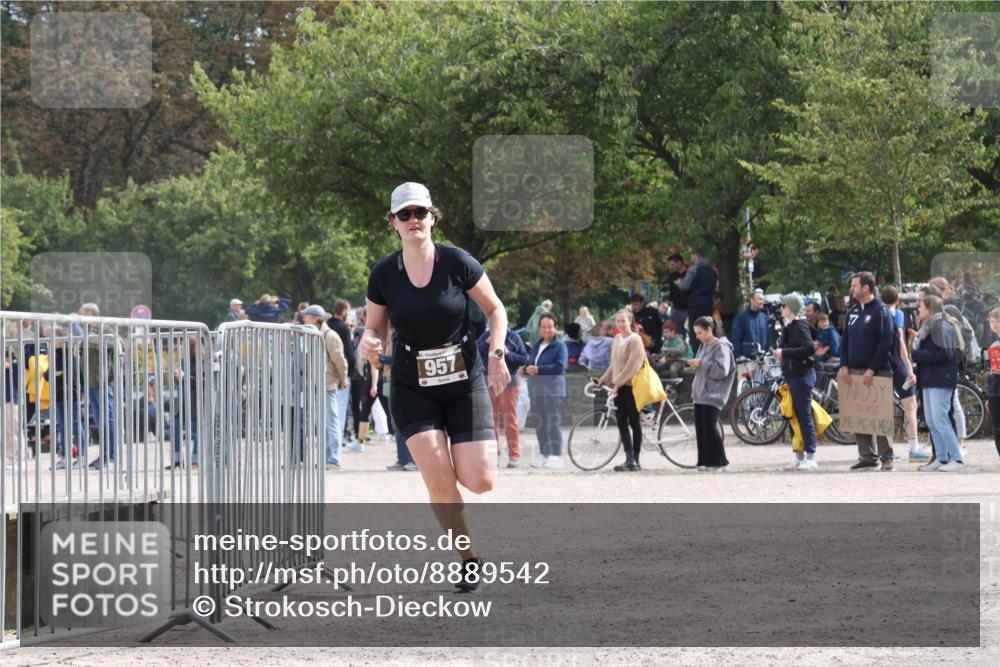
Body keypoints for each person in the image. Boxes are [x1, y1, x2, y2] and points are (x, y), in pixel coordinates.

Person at [362, 182, 509, 590]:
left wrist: (497, 355)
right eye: (404, 215)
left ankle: (467, 470)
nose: (413, 221)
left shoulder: (458, 262)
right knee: (440, 478)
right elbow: (373, 327)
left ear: (433, 217)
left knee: (480, 480)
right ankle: (468, 557)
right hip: (412, 385)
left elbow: (496, 310)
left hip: (464, 381)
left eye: (420, 213)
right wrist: (368, 342)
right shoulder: (384, 274)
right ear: (393, 223)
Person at [838, 271, 895, 471]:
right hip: (854, 370)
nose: (851, 289)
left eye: (854, 285)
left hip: (877, 371)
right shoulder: (851, 312)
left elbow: (886, 341)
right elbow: (844, 341)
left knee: (879, 414)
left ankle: (887, 457)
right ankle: (867, 456)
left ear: (866, 288)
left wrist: (872, 368)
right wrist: (844, 365)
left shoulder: (882, 311)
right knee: (860, 414)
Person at [911, 295, 964, 471]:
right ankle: (941, 458)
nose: (918, 309)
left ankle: (956, 458)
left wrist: (917, 355)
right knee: (932, 422)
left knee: (941, 420)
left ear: (930, 309)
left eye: (921, 306)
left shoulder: (941, 326)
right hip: (929, 379)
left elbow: (946, 354)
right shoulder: (929, 326)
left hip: (941, 379)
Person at [594, 309, 647, 471]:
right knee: (622, 423)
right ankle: (628, 458)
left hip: (631, 387)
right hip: (619, 387)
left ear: (630, 321)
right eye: (618, 321)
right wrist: (603, 379)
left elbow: (633, 366)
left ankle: (636, 459)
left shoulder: (636, 340)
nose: (621, 324)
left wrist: (616, 384)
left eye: (623, 321)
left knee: (634, 422)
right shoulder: (617, 339)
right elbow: (614, 365)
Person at [880, 286, 928, 463]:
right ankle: (914, 449)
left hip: (879, 366)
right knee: (910, 406)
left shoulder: (877, 314)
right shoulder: (897, 314)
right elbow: (900, 340)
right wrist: (908, 367)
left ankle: (885, 450)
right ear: (897, 300)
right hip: (896, 364)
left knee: (882, 408)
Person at [772, 294, 818, 470]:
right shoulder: (789, 326)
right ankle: (799, 456)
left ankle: (811, 456)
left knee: (804, 414)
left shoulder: (799, 327)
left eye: (783, 305)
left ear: (791, 307)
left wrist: (784, 352)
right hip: (793, 375)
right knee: (793, 414)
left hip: (802, 375)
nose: (781, 308)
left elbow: (808, 348)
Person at [302, 304, 348, 469]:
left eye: (306, 316)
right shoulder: (315, 333)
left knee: (331, 422)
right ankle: (326, 458)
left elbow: (339, 360)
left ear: (314, 318)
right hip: (316, 384)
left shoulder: (329, 335)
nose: (303, 318)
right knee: (323, 424)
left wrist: (343, 379)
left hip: (326, 384)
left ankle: (333, 459)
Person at [686, 316, 735, 470]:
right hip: (701, 393)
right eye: (696, 333)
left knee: (709, 426)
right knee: (701, 428)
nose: (697, 336)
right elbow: (704, 367)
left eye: (700, 333)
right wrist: (696, 365)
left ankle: (721, 462)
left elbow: (722, 371)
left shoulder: (721, 347)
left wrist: (702, 364)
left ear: (709, 329)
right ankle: (704, 461)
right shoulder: (704, 346)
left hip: (714, 394)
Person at [477, 325, 529, 468]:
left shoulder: (513, 337)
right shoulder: (486, 335)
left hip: (509, 383)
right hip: (490, 382)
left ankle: (514, 455)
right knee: (490, 421)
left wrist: (508, 352)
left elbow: (524, 358)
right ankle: (494, 456)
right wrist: (485, 343)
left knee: (510, 419)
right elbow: (474, 352)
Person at [525, 313, 568, 469]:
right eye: (543, 327)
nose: (546, 330)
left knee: (552, 423)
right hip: (536, 390)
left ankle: (556, 456)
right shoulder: (537, 344)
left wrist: (539, 370)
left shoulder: (560, 345)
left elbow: (560, 366)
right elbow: (530, 362)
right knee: (540, 424)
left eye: (549, 327)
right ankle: (544, 455)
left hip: (553, 391)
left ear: (555, 328)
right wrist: (526, 368)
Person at [79, 303, 118, 470]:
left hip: (102, 381)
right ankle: (104, 456)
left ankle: (111, 457)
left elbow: (111, 343)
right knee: (99, 420)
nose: (80, 319)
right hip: (91, 382)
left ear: (90, 313)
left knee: (107, 419)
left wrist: (87, 339)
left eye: (82, 315)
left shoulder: (105, 327)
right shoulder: (87, 331)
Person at [676, 248, 718, 354]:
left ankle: (698, 354)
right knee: (707, 328)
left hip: (695, 304)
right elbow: (715, 288)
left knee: (696, 331)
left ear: (696, 255)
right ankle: (710, 352)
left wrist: (678, 283)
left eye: (692, 256)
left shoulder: (693, 269)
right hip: (708, 304)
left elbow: (684, 286)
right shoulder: (713, 270)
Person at [328, 299, 356, 454]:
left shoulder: (326, 327)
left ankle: (331, 445)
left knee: (331, 410)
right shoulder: (343, 329)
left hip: (327, 373)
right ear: (344, 311)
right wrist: (349, 373)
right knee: (340, 409)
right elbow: (349, 353)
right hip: (341, 374)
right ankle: (336, 446)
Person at [730, 288, 771, 359]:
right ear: (752, 300)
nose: (762, 302)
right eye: (759, 299)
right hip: (746, 360)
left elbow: (768, 338)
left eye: (763, 300)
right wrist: (739, 355)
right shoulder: (741, 317)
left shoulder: (764, 317)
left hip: (763, 359)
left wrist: (768, 352)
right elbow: (735, 338)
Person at [985, 307, 1000, 458]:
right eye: (992, 321)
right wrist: (988, 395)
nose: (995, 324)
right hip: (995, 389)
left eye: (998, 320)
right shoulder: (994, 345)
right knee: (997, 427)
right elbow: (992, 371)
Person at [666, 253, 689, 341]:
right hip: (676, 309)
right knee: (678, 334)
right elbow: (672, 293)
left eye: (672, 264)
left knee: (691, 332)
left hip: (688, 308)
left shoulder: (689, 274)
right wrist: (672, 307)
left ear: (679, 262)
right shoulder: (672, 276)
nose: (671, 267)